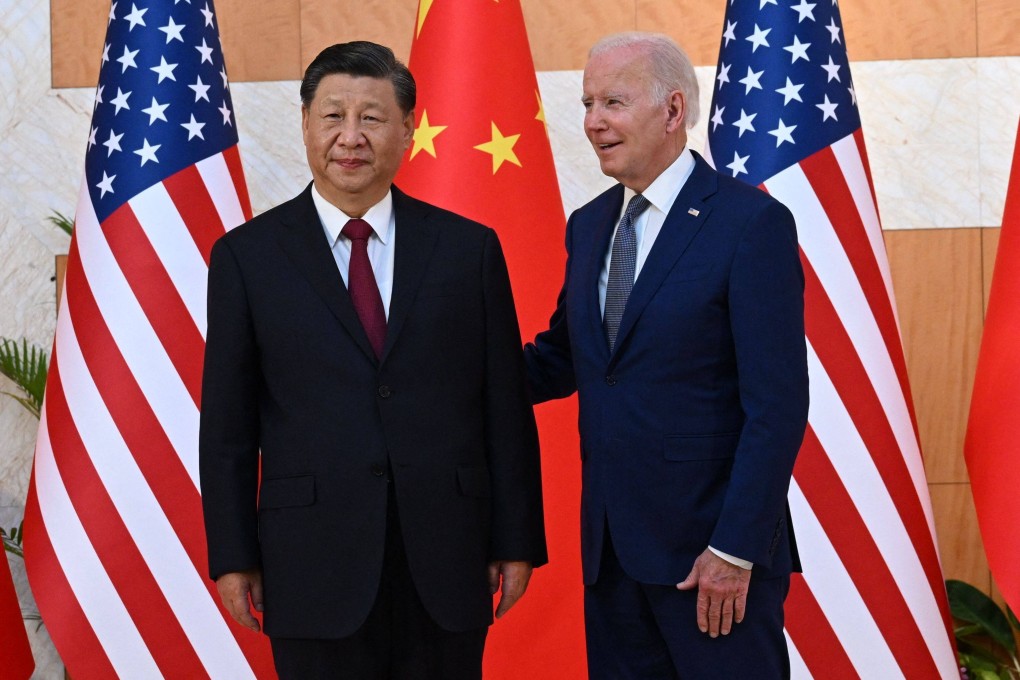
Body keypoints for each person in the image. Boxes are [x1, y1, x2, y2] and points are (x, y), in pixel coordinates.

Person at [199, 41, 547, 680]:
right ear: (305, 124)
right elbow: (226, 426)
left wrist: (515, 537)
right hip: (308, 561)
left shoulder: (468, 250)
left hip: (446, 554)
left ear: (408, 130)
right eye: (333, 116)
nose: (351, 137)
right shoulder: (247, 258)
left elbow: (503, 404)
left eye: (373, 117)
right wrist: (231, 555)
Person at [524, 33, 809, 678]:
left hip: (711, 562)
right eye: (588, 103)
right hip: (613, 556)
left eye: (613, 102)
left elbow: (778, 406)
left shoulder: (749, 225)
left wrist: (734, 549)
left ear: (673, 109)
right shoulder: (590, 225)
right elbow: (567, 358)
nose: (594, 122)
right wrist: (442, 368)